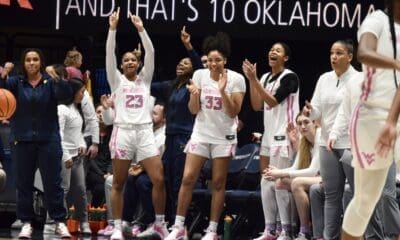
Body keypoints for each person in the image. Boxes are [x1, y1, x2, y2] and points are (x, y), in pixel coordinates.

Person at [165, 31, 246, 240]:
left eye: (217, 60)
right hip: (201, 133)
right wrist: (194, 96)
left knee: (218, 183)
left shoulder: (236, 79)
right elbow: (193, 110)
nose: (213, 64)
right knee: (188, 178)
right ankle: (178, 226)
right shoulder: (199, 75)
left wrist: (222, 90)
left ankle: (212, 230)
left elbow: (233, 112)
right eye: (209, 60)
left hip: (223, 137)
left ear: (225, 60)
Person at [105, 8, 167, 240]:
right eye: (126, 60)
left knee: (158, 179)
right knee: (119, 182)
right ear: (122, 66)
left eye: (133, 59)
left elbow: (151, 52)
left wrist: (141, 28)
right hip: (122, 132)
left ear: (138, 63)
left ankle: (160, 223)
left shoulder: (145, 80)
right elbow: (109, 54)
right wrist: (113, 29)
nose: (130, 62)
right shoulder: (116, 81)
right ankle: (119, 227)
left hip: (144, 133)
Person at [342, 1, 400, 239]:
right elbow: (364, 53)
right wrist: (397, 64)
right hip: (372, 117)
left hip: (393, 116)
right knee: (366, 200)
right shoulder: (376, 20)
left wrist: (392, 120)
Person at [0, 48, 72, 238]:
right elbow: (1, 95)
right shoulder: (15, 83)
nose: (32, 63)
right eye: (28, 60)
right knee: (23, 184)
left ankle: (59, 221)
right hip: (21, 139)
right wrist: (3, 76)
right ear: (23, 64)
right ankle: (26, 223)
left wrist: (57, 77)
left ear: (41, 62)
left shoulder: (49, 82)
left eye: (35, 59)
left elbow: (66, 94)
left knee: (53, 184)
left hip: (48, 139)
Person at [242, 42, 300, 239]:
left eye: (278, 50)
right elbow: (257, 104)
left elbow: (273, 101)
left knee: (281, 183)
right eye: (271, 49)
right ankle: (270, 229)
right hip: (268, 135)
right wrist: (253, 80)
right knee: (266, 181)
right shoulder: (265, 77)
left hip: (285, 135)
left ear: (285, 57)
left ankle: (287, 229)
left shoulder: (290, 77)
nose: (272, 52)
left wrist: (253, 79)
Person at [302, 40, 358, 240]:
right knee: (331, 196)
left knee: (356, 197)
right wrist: (310, 111)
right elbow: (317, 109)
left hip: (350, 145)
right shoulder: (324, 79)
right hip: (326, 144)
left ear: (350, 57)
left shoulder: (358, 79)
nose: (334, 57)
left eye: (339, 53)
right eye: (332, 53)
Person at [150, 26, 202, 224]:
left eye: (186, 63)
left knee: (179, 181)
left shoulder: (193, 86)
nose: (181, 64)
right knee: (167, 180)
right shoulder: (170, 86)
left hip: (184, 137)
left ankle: (181, 224)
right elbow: (147, 83)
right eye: (180, 62)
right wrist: (139, 64)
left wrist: (188, 46)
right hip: (169, 137)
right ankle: (166, 222)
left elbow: (199, 67)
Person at [263, 113, 321, 240]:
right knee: (280, 182)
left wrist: (281, 172)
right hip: (315, 177)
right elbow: (295, 168)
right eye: (299, 123)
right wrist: (278, 172)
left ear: (315, 123)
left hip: (328, 178)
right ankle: (286, 231)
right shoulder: (305, 141)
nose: (303, 126)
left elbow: (312, 171)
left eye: (306, 122)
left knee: (296, 183)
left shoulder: (320, 136)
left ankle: (305, 231)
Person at [57, 78, 92, 235]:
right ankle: (60, 222)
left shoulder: (75, 109)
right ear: (73, 92)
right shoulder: (62, 109)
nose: (83, 94)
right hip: (65, 158)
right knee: (63, 190)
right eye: (82, 91)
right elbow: (59, 135)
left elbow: (77, 134)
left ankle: (83, 222)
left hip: (77, 158)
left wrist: (83, 144)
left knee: (80, 190)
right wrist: (65, 155)